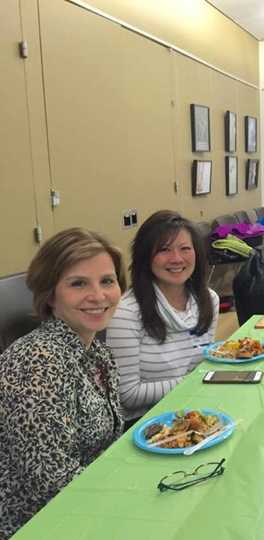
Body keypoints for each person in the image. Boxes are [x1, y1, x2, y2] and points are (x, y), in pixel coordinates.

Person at [0, 228, 126, 539]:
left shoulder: (96, 351)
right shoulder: (38, 361)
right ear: (50, 293)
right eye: (78, 283)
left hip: (90, 501)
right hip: (39, 524)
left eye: (107, 281)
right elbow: (51, 479)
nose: (98, 296)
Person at [106, 210, 219, 423]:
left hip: (195, 409)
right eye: (164, 250)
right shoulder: (126, 312)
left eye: (185, 248)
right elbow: (127, 394)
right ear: (145, 256)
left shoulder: (208, 300)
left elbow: (203, 363)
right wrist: (195, 380)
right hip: (146, 423)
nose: (176, 259)